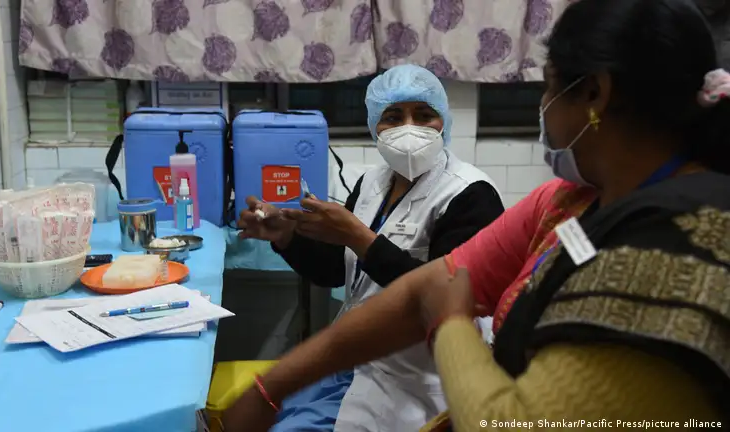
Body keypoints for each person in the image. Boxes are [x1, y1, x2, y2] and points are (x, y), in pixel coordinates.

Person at [222, 0, 730, 429]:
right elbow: (420, 289)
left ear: (595, 93)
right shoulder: (563, 201)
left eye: (548, 88)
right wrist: (271, 387)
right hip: (376, 370)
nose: (542, 107)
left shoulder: (669, 248)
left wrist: (449, 321)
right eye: (392, 116)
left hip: (431, 386)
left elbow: (503, 398)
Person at [233, 64, 504, 431]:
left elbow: (449, 299)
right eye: (393, 117)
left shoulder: (471, 194)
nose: (409, 127)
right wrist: (286, 238)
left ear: (444, 120)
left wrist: (358, 236)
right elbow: (337, 269)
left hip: (416, 378)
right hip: (356, 361)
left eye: (424, 115)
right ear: (374, 125)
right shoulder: (372, 183)